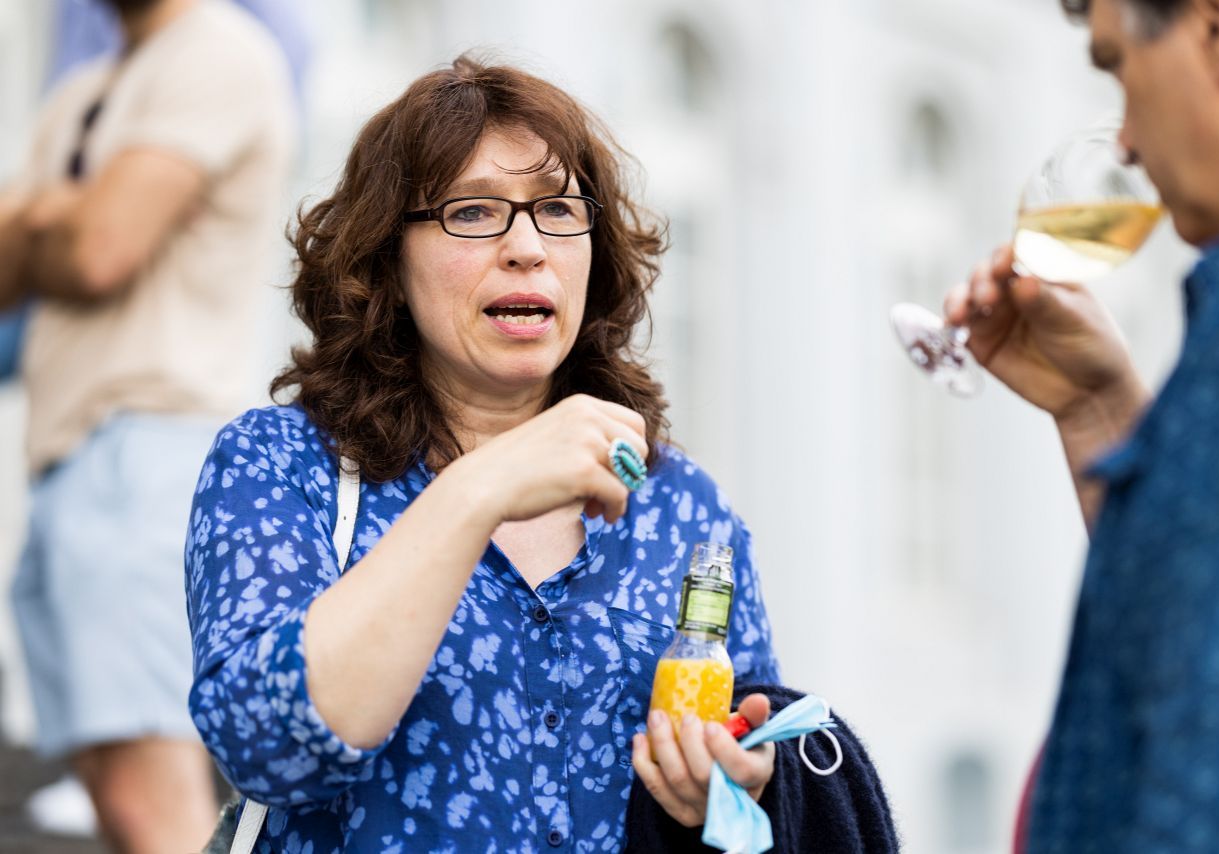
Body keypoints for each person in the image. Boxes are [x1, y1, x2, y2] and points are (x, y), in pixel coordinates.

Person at [185, 56, 782, 851]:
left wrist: (743, 779)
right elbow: (267, 747)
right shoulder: (279, 465)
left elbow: (756, 738)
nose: (527, 247)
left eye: (559, 209)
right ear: (387, 258)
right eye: (471, 212)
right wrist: (479, 490)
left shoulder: (683, 505)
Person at [943, 0, 1219, 849]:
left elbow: (1218, 790)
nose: (1124, 141)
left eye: (1117, 66)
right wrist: (1099, 410)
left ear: (1218, 28)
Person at [0, 0, 294, 849]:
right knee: (110, 788)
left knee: (149, 798)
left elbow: (99, 251)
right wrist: (57, 214)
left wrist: (46, 213)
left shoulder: (217, 54)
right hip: (71, 458)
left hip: (148, 449)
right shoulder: (86, 88)